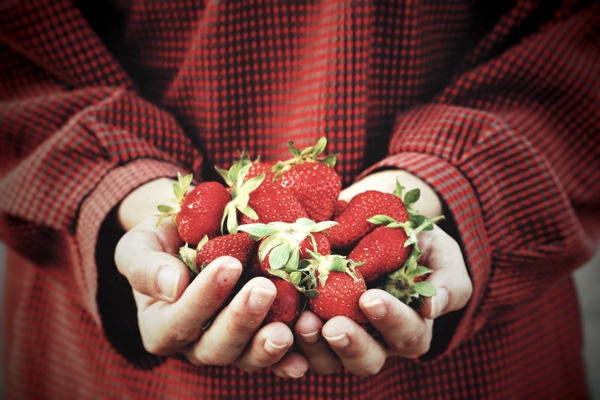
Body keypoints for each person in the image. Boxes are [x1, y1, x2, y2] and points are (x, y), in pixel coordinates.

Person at [0, 1, 597, 399]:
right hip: (107, 358)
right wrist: (120, 186)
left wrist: (455, 184)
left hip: (475, 353)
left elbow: (579, 39)